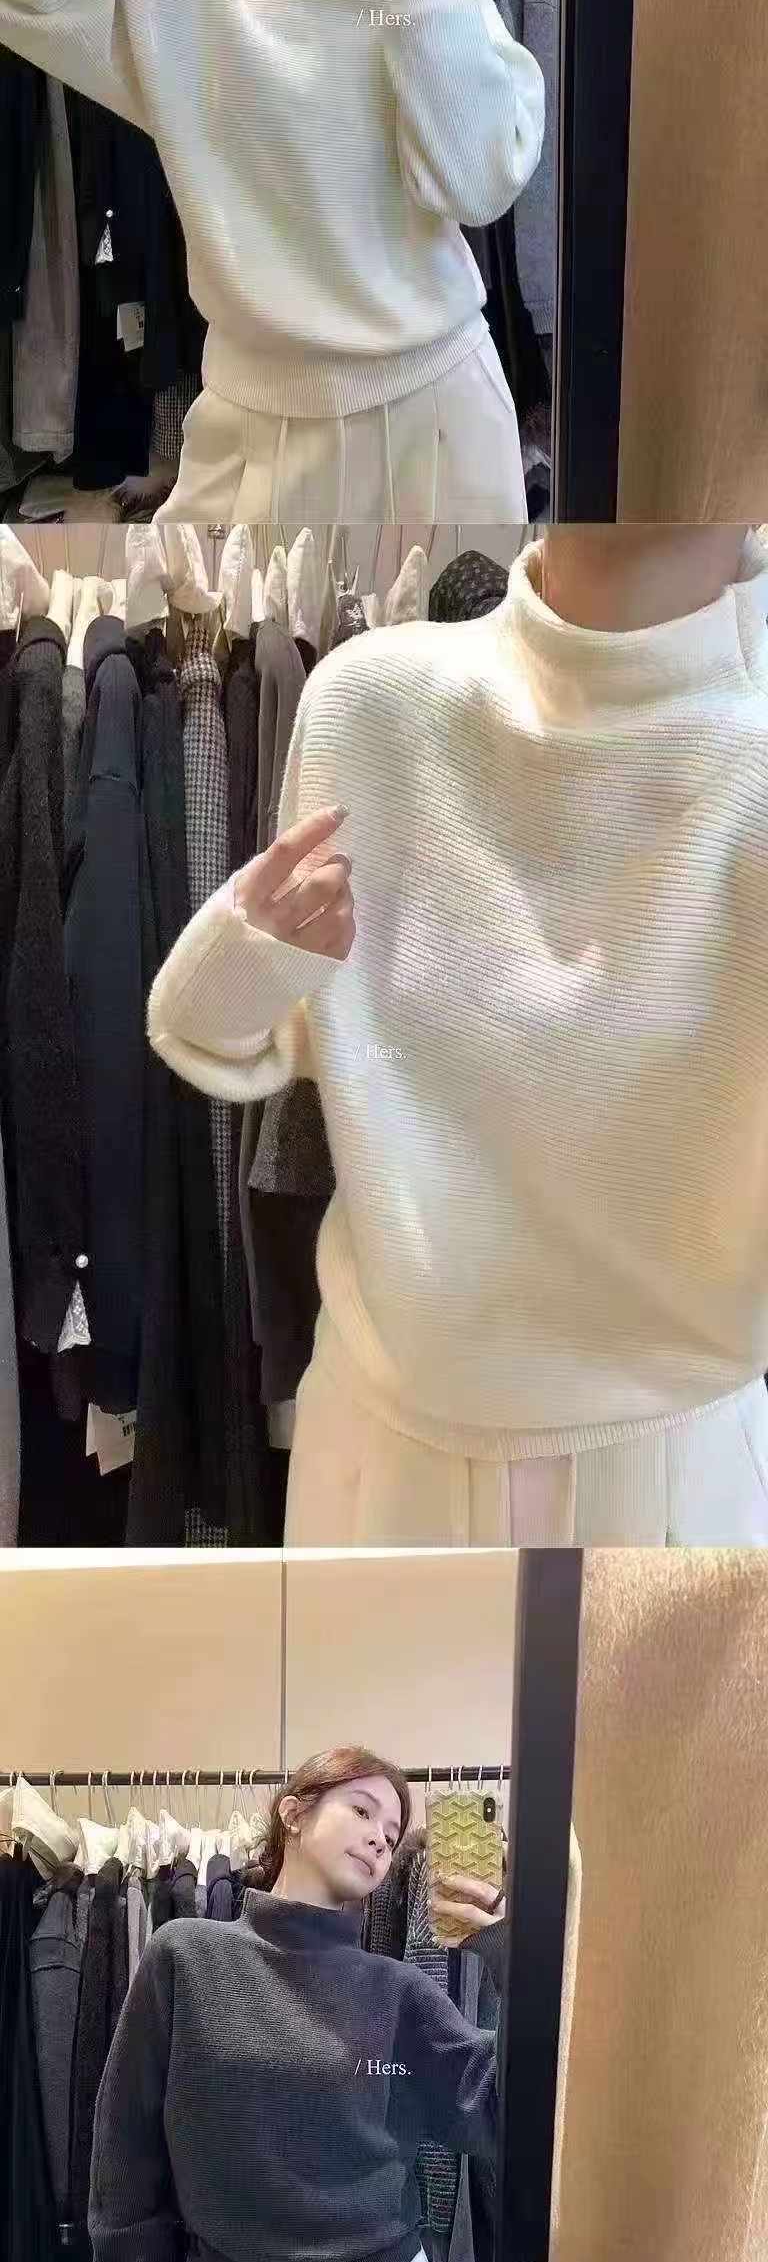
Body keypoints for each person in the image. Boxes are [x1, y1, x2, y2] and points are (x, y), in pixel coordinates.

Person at [149, 523, 768, 1548]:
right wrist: (255, 949)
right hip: (384, 1452)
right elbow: (211, 1033)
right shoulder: (373, 705)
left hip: (682, 1475)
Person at [0, 0, 542, 586]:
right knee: (231, 668)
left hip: (442, 417)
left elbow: (479, 183)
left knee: (439, 673)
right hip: (255, 432)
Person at [88, 1747, 501, 2262]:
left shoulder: (397, 1992)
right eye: (362, 1810)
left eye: (393, 1832)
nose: (380, 1839)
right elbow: (126, 2148)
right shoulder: (185, 1956)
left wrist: (512, 1951)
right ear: (294, 1811)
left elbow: (502, 2115)